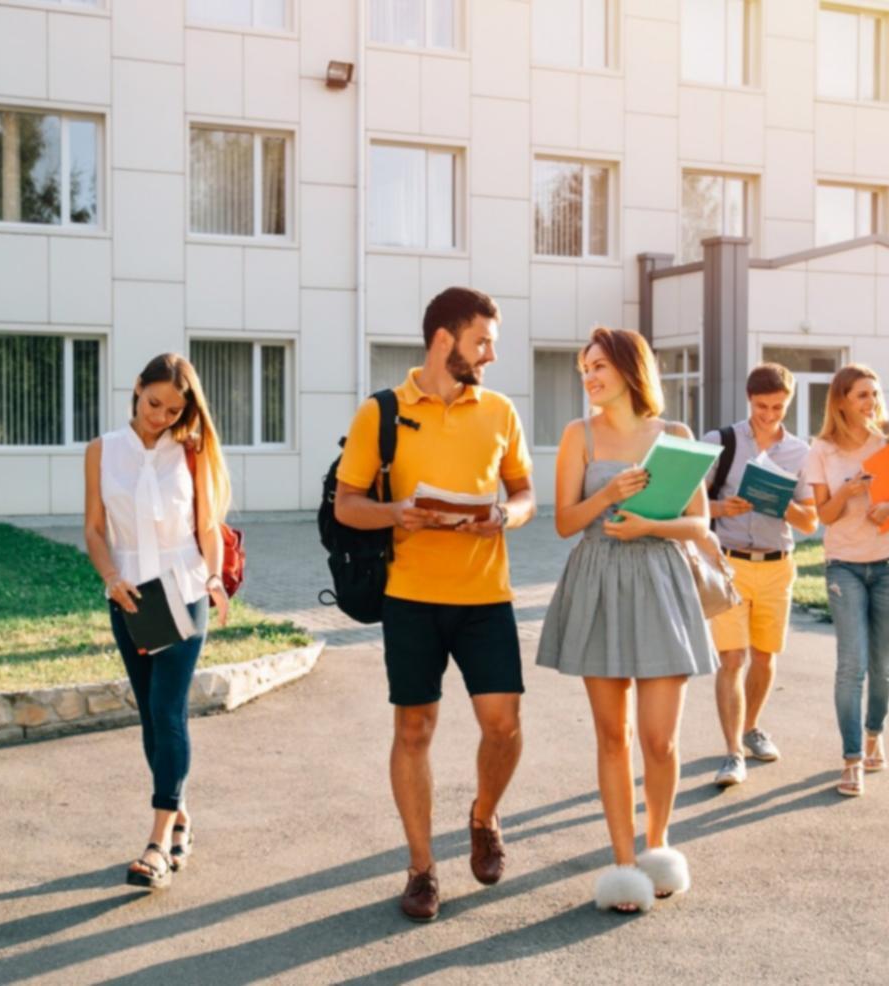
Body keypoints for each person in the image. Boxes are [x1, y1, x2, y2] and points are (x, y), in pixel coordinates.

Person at [333, 286, 536, 922]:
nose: (491, 355)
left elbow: (526, 493)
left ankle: (483, 817)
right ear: (444, 339)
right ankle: (421, 868)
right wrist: (397, 513)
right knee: (414, 729)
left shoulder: (500, 411)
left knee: (502, 724)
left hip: (485, 597)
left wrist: (505, 514)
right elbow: (347, 504)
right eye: (483, 341)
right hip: (410, 599)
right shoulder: (382, 412)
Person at [536, 327, 717, 914]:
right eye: (583, 369)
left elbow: (700, 525)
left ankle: (659, 849)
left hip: (662, 581)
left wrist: (649, 526)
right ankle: (620, 863)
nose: (588, 377)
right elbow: (565, 522)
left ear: (628, 368)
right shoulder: (577, 435)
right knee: (612, 736)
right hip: (600, 581)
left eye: (597, 366)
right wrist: (609, 492)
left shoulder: (677, 435)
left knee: (659, 740)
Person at [83, 353, 234, 889]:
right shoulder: (102, 451)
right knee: (150, 717)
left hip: (183, 591)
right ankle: (182, 818)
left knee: (169, 710)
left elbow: (208, 527)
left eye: (173, 409)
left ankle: (156, 843)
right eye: (154, 403)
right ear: (137, 389)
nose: (161, 416)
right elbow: (96, 529)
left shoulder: (191, 454)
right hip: (128, 597)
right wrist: (109, 577)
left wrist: (213, 579)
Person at [803, 364, 889, 798]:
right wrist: (849, 491)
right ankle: (852, 758)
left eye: (874, 394)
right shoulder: (821, 448)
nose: (871, 402)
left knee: (882, 661)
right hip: (845, 565)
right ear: (841, 400)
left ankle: (875, 733)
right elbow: (823, 515)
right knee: (850, 665)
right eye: (862, 395)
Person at [702, 364, 819, 788]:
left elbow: (809, 522)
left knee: (765, 656)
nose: (769, 415)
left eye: (777, 407)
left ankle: (751, 727)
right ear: (748, 399)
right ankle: (733, 753)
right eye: (761, 406)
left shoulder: (802, 453)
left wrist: (779, 501)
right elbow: (686, 502)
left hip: (777, 564)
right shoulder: (720, 442)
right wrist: (722, 508)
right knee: (732, 658)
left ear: (788, 403)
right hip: (728, 564)